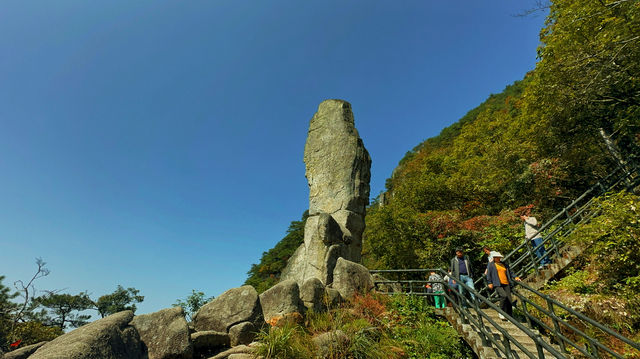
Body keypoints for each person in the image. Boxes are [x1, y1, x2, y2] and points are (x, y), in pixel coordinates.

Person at [486, 251, 521, 320]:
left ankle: (510, 316)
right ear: (494, 258)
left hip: (506, 283)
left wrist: (515, 277)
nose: (499, 259)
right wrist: (489, 282)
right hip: (497, 283)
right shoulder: (491, 265)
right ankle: (501, 311)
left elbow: (510, 272)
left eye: (499, 258)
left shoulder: (504, 264)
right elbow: (488, 274)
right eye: (497, 258)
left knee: (509, 299)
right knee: (503, 296)